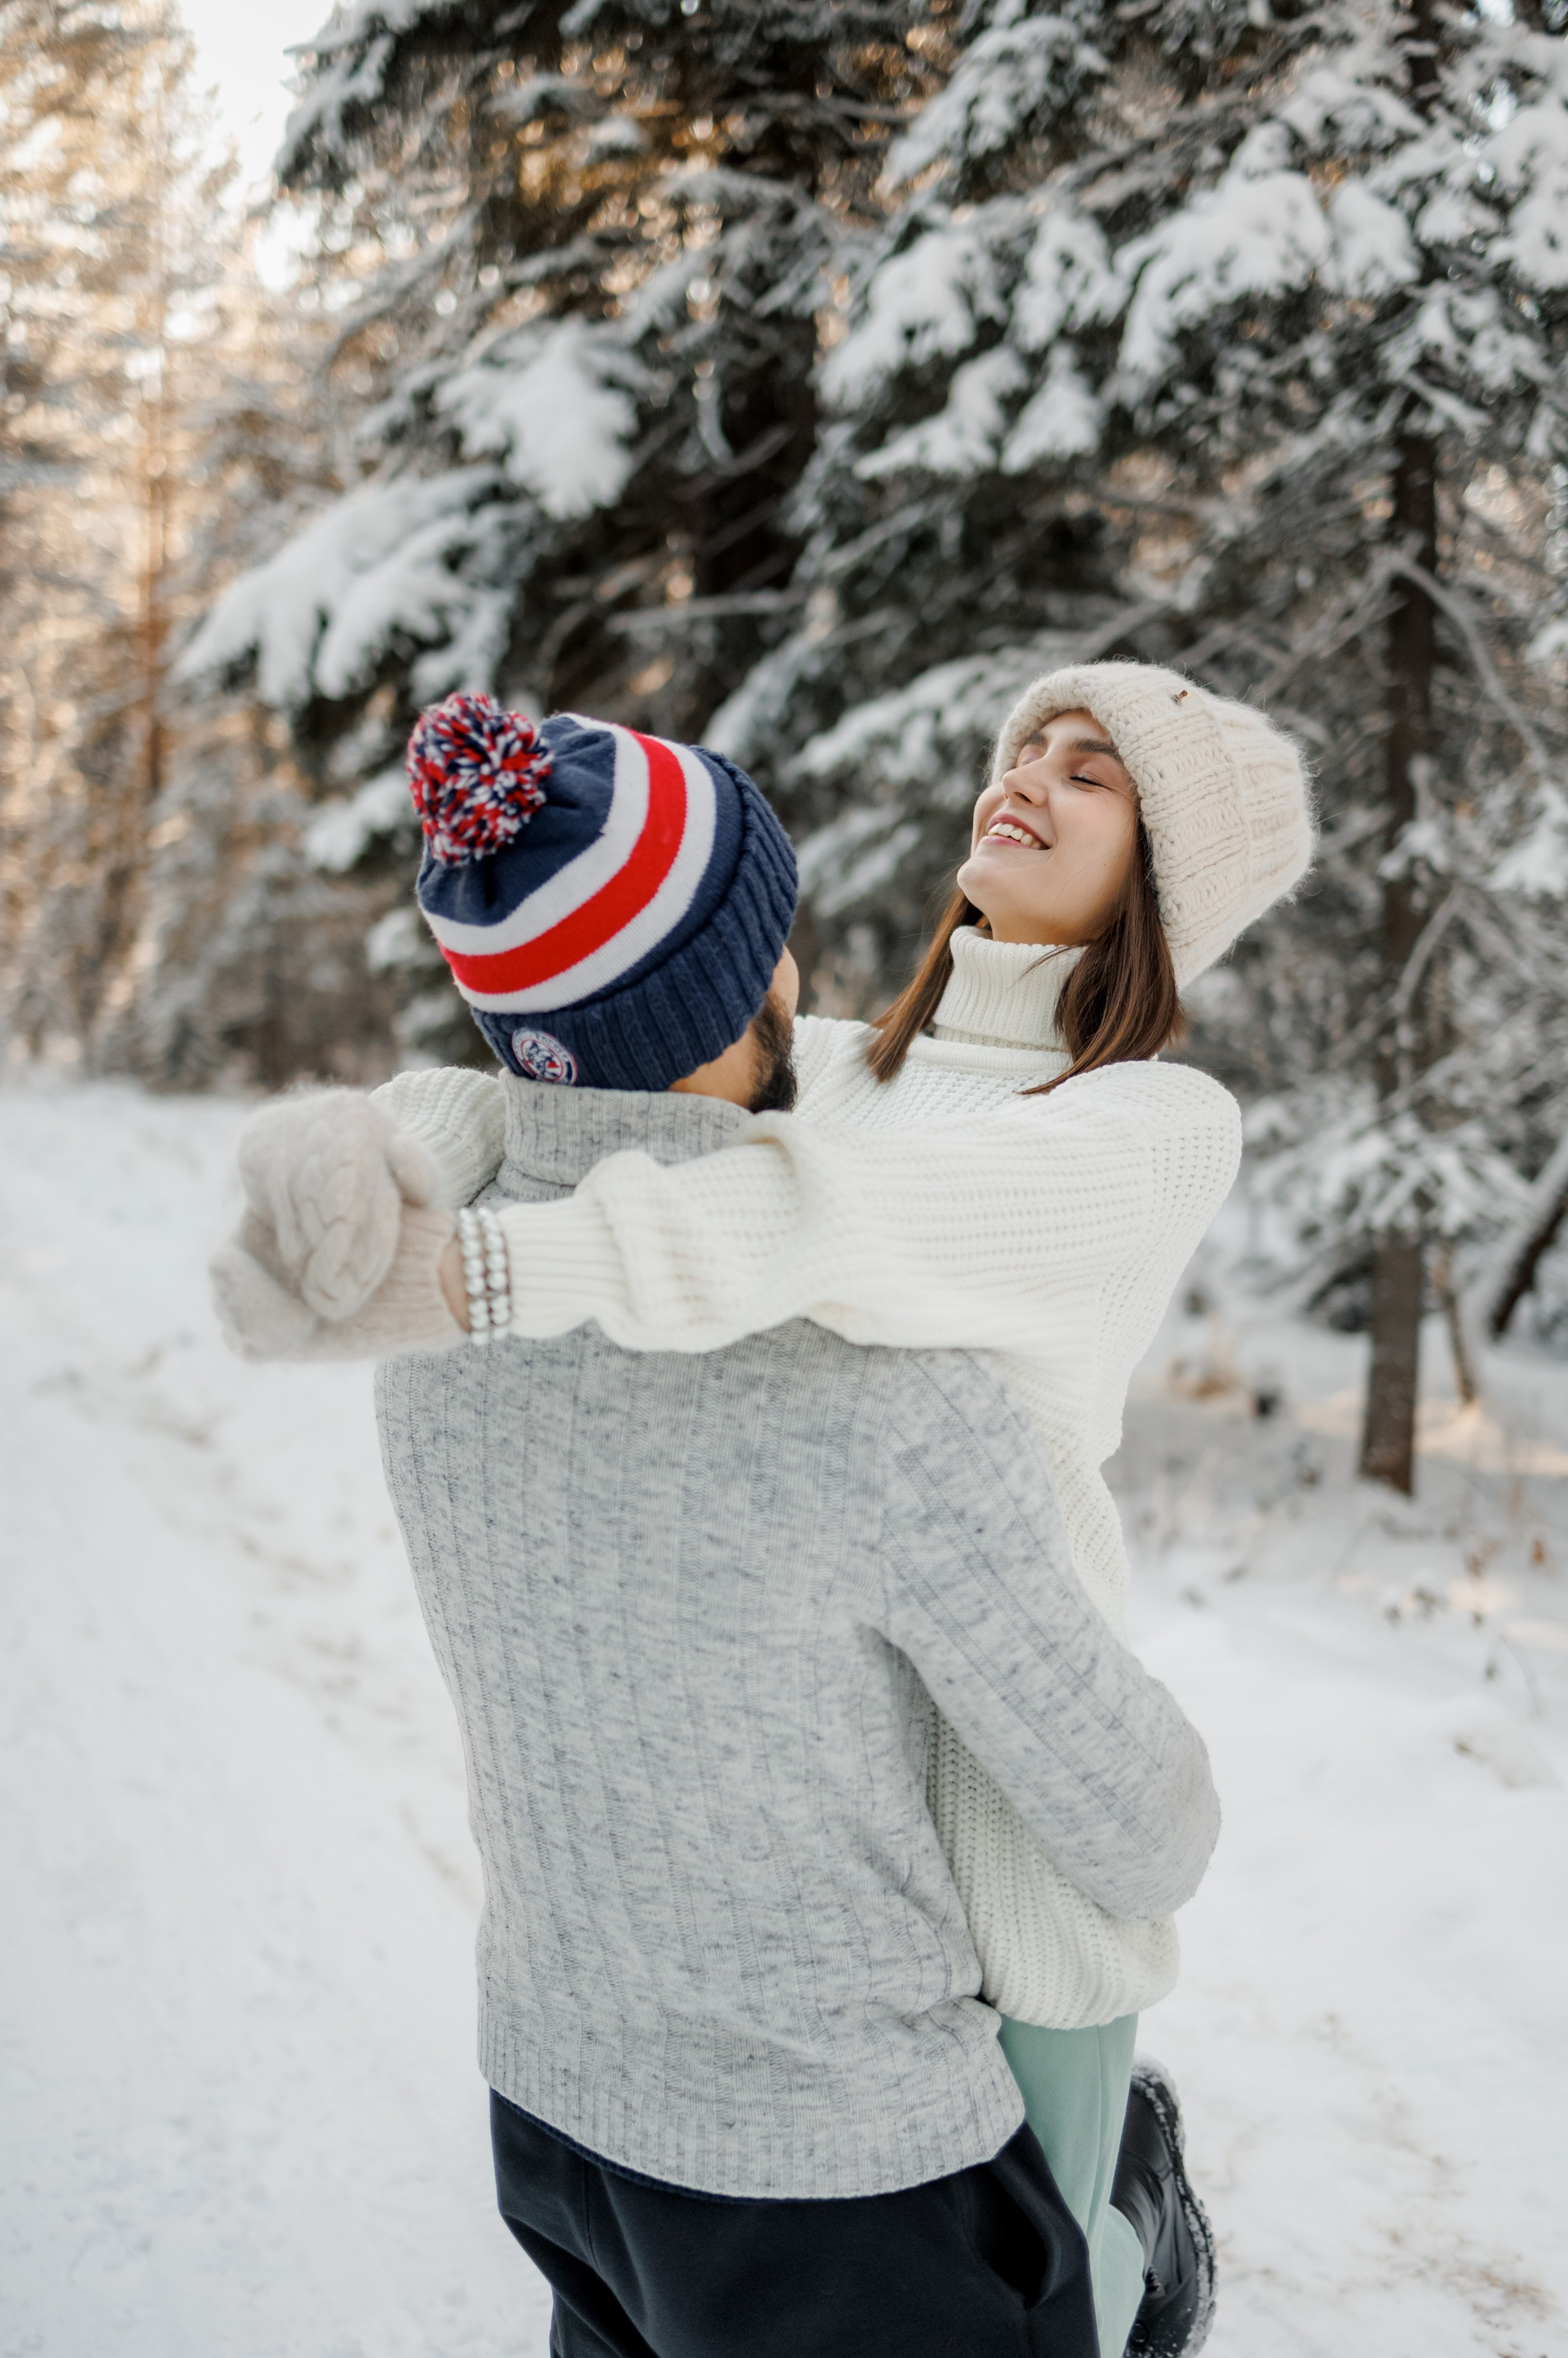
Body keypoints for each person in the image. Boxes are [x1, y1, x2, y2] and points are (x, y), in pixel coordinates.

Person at [218, 665, 1313, 2354]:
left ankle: (1133, 2235)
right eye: (1027, 735)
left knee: (1077, 2289)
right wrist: (404, 1147)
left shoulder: (1148, 1124)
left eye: (1093, 771)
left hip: (1019, 1859)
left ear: (1168, 877)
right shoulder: (859, 1064)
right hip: (863, 1847)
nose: (1029, 769)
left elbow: (794, 1214)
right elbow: (616, 1119)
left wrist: (468, 1249)